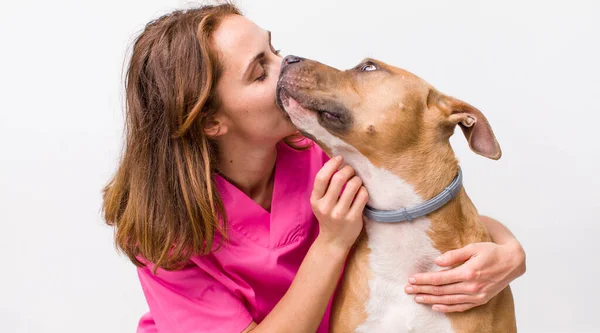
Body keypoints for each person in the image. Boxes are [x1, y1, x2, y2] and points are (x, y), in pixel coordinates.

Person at [102, 3, 526, 333]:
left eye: (274, 49)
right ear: (212, 120)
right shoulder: (161, 232)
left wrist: (509, 251)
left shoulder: (323, 153)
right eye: (258, 72)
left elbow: (422, 212)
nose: (284, 65)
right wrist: (332, 243)